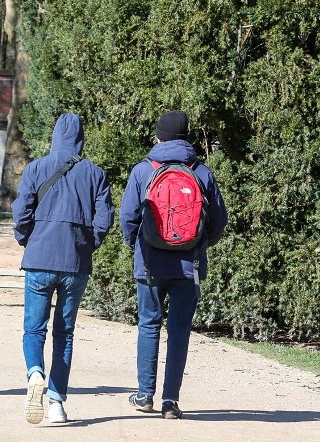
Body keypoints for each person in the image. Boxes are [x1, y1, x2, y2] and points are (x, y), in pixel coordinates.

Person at [119, 110, 227, 420]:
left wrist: (137, 246)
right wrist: (199, 244)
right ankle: (171, 401)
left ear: (159, 136)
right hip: (188, 266)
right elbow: (219, 221)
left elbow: (128, 218)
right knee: (179, 331)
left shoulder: (143, 170)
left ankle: (144, 394)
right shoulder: (202, 173)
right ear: (187, 137)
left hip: (150, 265)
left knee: (149, 326)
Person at [11, 113, 114, 424]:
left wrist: (26, 238)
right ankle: (56, 402)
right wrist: (88, 244)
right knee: (64, 333)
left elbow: (22, 210)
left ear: (55, 136)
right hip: (75, 261)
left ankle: (34, 372)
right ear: (81, 138)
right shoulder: (95, 173)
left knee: (33, 328)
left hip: (40, 257)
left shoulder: (36, 168)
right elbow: (104, 218)